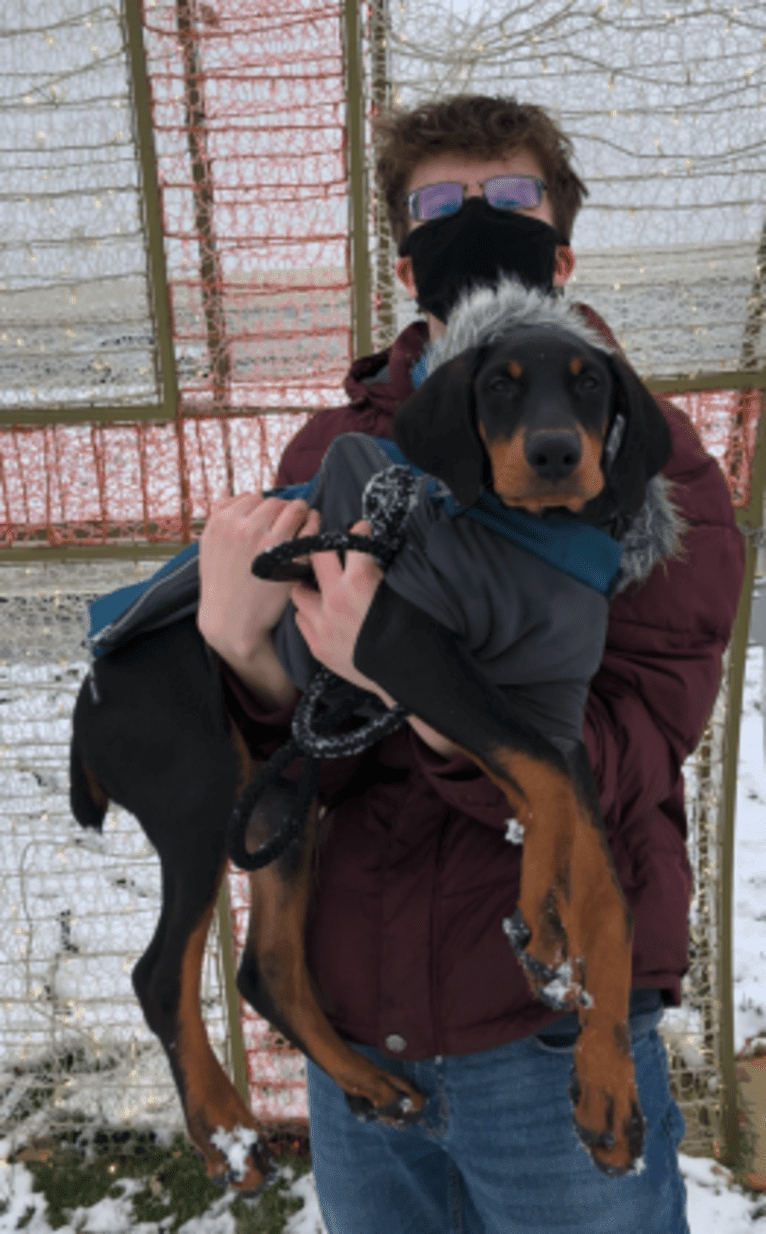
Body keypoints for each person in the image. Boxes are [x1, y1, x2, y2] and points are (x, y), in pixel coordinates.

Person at [197, 96, 744, 1233]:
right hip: (361, 1038)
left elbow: (639, 744)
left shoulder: (649, 461)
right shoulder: (329, 452)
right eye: (443, 203)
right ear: (406, 262)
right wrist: (243, 654)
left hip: (551, 1037)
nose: (478, 222)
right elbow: (289, 765)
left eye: (512, 198)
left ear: (562, 247)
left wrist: (433, 701)